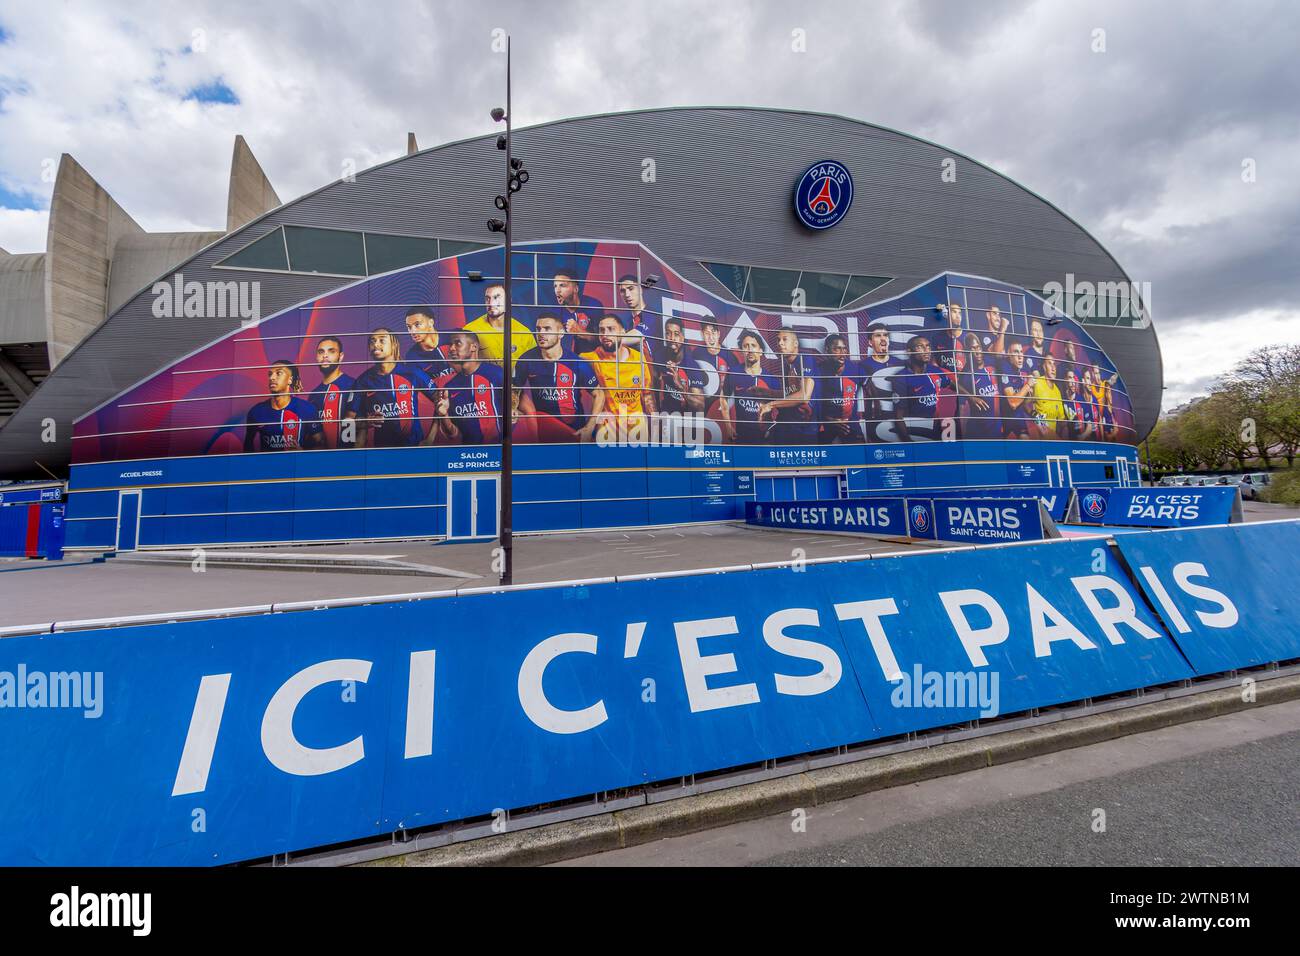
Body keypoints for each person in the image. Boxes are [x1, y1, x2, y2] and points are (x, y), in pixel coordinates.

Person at [513, 313, 603, 443]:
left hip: (573, 431)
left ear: (561, 333)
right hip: (544, 429)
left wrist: (589, 427)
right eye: (538, 329)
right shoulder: (526, 360)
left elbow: (599, 394)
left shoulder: (576, 362)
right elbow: (514, 388)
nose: (541, 333)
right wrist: (513, 407)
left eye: (547, 329)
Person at [345, 328, 436, 447]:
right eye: (372, 341)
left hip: (415, 450)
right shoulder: (362, 381)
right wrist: (365, 423)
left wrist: (431, 438)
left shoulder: (412, 372)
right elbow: (347, 422)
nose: (375, 344)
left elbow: (442, 402)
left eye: (382, 340)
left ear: (394, 345)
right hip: (383, 454)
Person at [581, 314, 653, 443]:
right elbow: (565, 359)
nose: (605, 334)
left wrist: (654, 428)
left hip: (637, 434)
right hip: (607, 436)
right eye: (601, 330)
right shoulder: (591, 358)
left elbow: (647, 396)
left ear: (623, 332)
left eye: (611, 329)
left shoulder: (638, 358)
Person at [431, 331, 505, 445]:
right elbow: (452, 434)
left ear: (473, 347)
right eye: (451, 344)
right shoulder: (449, 387)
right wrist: (444, 415)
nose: (451, 348)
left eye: (458, 343)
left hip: (498, 453)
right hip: (468, 456)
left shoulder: (497, 374)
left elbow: (516, 412)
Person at [244, 360, 322, 452]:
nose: (272, 378)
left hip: (297, 465)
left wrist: (303, 453)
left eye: (278, 373)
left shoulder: (307, 409)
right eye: (270, 374)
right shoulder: (256, 411)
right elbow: (247, 446)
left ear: (290, 380)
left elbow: (321, 444)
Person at [758, 328, 818, 444]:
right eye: (778, 340)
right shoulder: (786, 365)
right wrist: (765, 392)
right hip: (789, 424)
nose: (780, 343)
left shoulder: (805, 359)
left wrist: (771, 404)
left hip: (805, 429)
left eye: (785, 339)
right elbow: (790, 394)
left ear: (795, 343)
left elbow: (804, 396)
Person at [892, 335, 957, 442]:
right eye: (920, 347)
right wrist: (909, 443)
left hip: (939, 429)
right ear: (909, 352)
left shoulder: (935, 371)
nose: (926, 350)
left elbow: (951, 384)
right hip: (918, 433)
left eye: (927, 346)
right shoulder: (901, 378)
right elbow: (898, 417)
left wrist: (970, 396)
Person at [463, 283, 537, 366]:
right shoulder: (470, 330)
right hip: (484, 378)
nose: (491, 304)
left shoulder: (524, 333)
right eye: (487, 298)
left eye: (496, 297)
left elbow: (534, 366)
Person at [815, 333, 865, 443]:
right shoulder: (818, 371)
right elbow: (812, 403)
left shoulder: (856, 370)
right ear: (827, 350)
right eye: (837, 349)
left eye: (844, 349)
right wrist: (830, 421)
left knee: (861, 456)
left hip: (850, 425)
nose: (842, 354)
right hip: (826, 424)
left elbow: (870, 390)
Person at [306, 337, 355, 449]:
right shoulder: (313, 395)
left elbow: (360, 430)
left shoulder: (352, 385)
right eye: (321, 352)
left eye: (331, 351)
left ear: (341, 356)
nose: (325, 355)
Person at [652, 317, 707, 415]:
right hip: (665, 418)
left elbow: (700, 407)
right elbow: (653, 386)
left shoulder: (692, 367)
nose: (672, 338)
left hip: (685, 420)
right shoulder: (659, 356)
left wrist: (680, 386)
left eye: (676, 334)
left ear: (682, 337)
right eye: (668, 333)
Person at [689, 319, 736, 415]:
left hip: (722, 410)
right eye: (707, 333)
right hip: (702, 410)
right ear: (702, 334)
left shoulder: (730, 357)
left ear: (718, 334)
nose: (711, 337)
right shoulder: (696, 354)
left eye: (713, 333)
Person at [860, 322, 897, 442]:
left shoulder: (900, 364)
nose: (883, 338)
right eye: (878, 336)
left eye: (885, 335)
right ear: (870, 342)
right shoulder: (863, 366)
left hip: (898, 420)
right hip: (875, 422)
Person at [960, 333, 1001, 440]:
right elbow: (961, 407)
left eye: (978, 347)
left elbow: (1001, 356)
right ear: (968, 352)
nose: (977, 352)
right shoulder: (966, 375)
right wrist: (970, 397)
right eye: (973, 348)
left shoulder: (992, 363)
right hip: (978, 431)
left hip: (996, 429)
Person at [553, 270, 603, 354]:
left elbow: (601, 340)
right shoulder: (555, 314)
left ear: (575, 289)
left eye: (562, 286)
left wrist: (580, 332)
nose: (557, 290)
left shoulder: (594, 306)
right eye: (555, 286)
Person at [616, 274, 662, 362]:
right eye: (623, 291)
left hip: (652, 372)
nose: (627, 294)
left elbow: (627, 338)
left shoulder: (651, 315)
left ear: (640, 289)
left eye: (631, 289)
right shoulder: (629, 322)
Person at [403, 306, 453, 380]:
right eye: (409, 327)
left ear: (431, 322)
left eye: (417, 324)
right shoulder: (412, 357)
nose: (412, 331)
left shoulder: (453, 337)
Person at [999, 341, 1036, 439]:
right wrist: (1028, 385)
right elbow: (1013, 403)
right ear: (1009, 355)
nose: (1020, 356)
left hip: (1019, 418)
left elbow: (1025, 401)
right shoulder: (1005, 367)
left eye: (1021, 352)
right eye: (1016, 352)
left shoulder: (1024, 367)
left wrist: (1033, 413)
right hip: (1005, 420)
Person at [1030, 355, 1067, 439]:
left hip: (1051, 440)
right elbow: (1025, 405)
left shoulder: (1057, 392)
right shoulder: (1037, 383)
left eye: (1054, 364)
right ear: (1044, 367)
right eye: (1050, 364)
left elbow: (1062, 421)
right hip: (1037, 437)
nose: (1053, 368)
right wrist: (1038, 420)